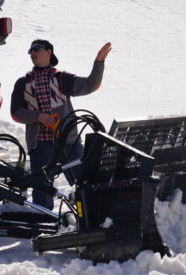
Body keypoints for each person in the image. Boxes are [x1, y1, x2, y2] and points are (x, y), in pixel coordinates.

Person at [10, 39, 112, 210]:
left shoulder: (62, 78)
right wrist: (38, 116)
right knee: (42, 190)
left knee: (83, 183)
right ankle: (43, 222)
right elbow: (16, 113)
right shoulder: (23, 83)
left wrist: (99, 62)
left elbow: (90, 85)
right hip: (40, 143)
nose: (32, 53)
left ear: (49, 52)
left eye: (36, 49)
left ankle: (90, 217)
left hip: (68, 141)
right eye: (30, 51)